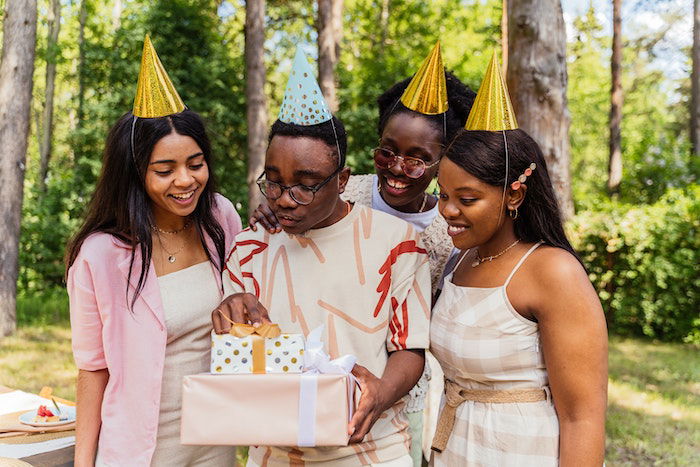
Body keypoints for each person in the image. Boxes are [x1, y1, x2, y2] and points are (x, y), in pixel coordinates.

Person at [249, 42, 475, 465]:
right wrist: (278, 206)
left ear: (444, 161)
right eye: (388, 151)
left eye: (418, 160)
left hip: (399, 379)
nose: (397, 168)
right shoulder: (341, 192)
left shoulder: (451, 228)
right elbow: (301, 204)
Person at [212, 48, 431, 466]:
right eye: (273, 183)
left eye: (305, 186)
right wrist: (228, 311)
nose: (285, 201)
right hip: (273, 451)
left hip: (370, 449)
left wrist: (383, 391)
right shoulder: (248, 247)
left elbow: (411, 347)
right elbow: (237, 357)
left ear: (343, 180)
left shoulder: (398, 243)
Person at [66, 36, 242, 466]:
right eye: (165, 170)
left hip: (216, 436)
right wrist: (84, 462)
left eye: (195, 164)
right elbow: (93, 369)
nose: (185, 180)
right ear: (134, 173)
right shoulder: (100, 255)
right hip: (140, 447)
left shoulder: (221, 217)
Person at [429, 53, 608, 466]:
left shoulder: (552, 271)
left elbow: (583, 417)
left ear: (514, 194)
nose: (448, 211)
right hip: (454, 449)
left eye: (467, 199)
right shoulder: (460, 261)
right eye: (443, 195)